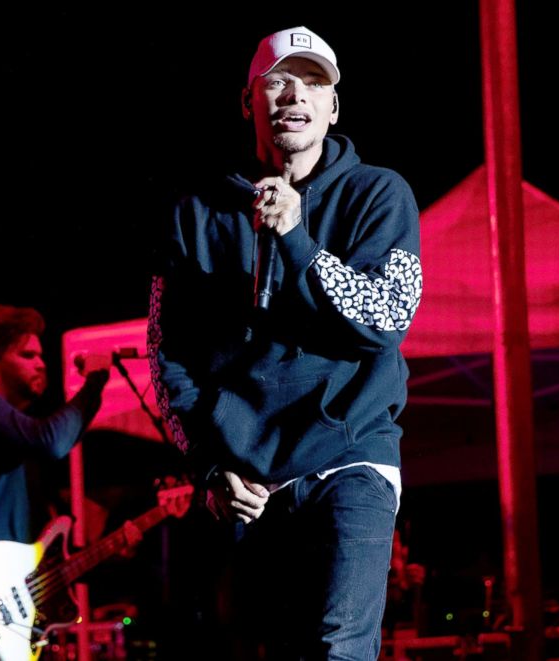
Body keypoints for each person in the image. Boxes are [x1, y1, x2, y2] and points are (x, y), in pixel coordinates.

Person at [148, 25, 422, 660]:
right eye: (277, 80)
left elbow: (385, 317)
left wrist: (297, 238)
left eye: (314, 81)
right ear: (248, 102)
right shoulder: (194, 212)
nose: (295, 93)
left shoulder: (378, 194)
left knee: (338, 649)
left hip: (350, 455)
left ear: (333, 107)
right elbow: (168, 356)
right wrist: (211, 466)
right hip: (250, 485)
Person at [0, 304, 111, 659]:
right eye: (27, 354)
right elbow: (53, 441)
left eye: (41, 355)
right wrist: (95, 382)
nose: (40, 363)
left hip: (11, 611)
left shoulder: (12, 440)